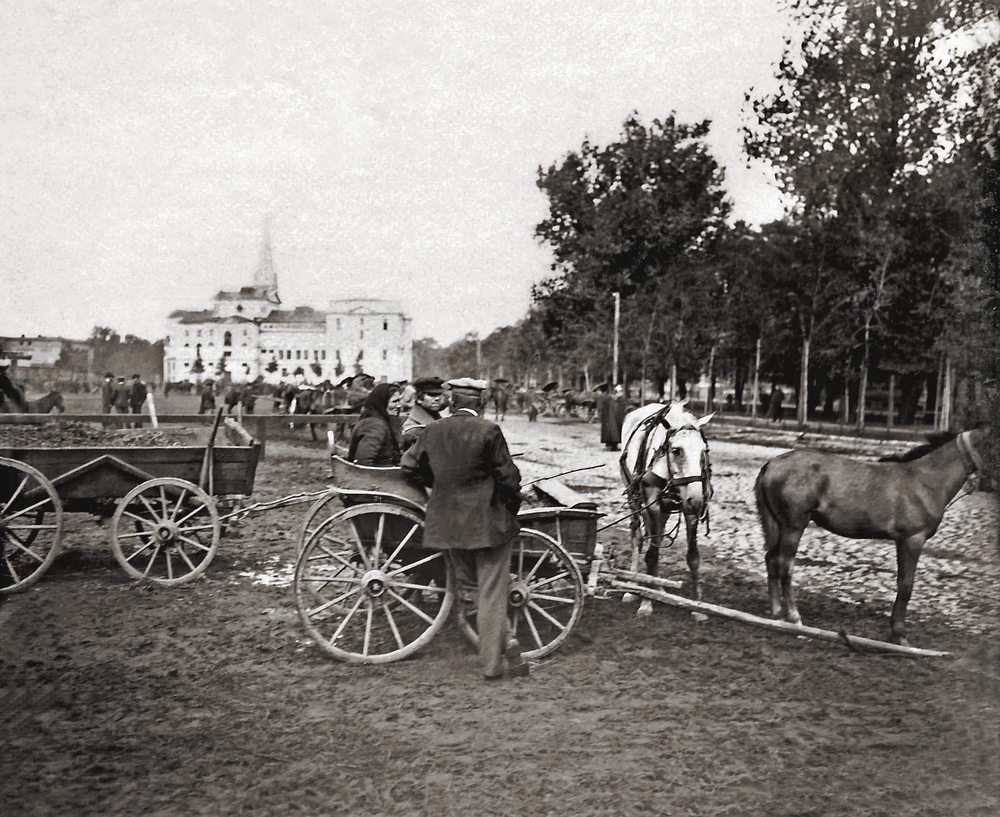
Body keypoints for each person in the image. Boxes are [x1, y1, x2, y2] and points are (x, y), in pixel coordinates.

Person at [400, 378, 524, 681]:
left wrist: (439, 485)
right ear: (480, 404)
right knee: (493, 593)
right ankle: (493, 665)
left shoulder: (433, 430)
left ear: (451, 402)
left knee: (469, 588)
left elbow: (409, 466)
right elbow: (509, 478)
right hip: (487, 524)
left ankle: (508, 643)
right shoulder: (488, 430)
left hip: (448, 524)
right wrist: (509, 506)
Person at [347, 382, 401, 466]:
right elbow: (364, 462)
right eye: (395, 401)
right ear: (382, 402)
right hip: (378, 476)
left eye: (399, 401)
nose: (399, 406)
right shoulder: (374, 425)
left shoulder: (382, 421)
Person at [400, 376, 447, 451]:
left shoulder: (439, 421)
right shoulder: (413, 430)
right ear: (419, 399)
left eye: (439, 394)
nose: (437, 398)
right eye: (431, 395)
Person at [599, 384, 626, 451]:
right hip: (614, 417)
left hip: (611, 417)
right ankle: (613, 445)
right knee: (615, 430)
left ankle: (611, 445)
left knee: (612, 430)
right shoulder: (612, 399)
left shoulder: (609, 398)